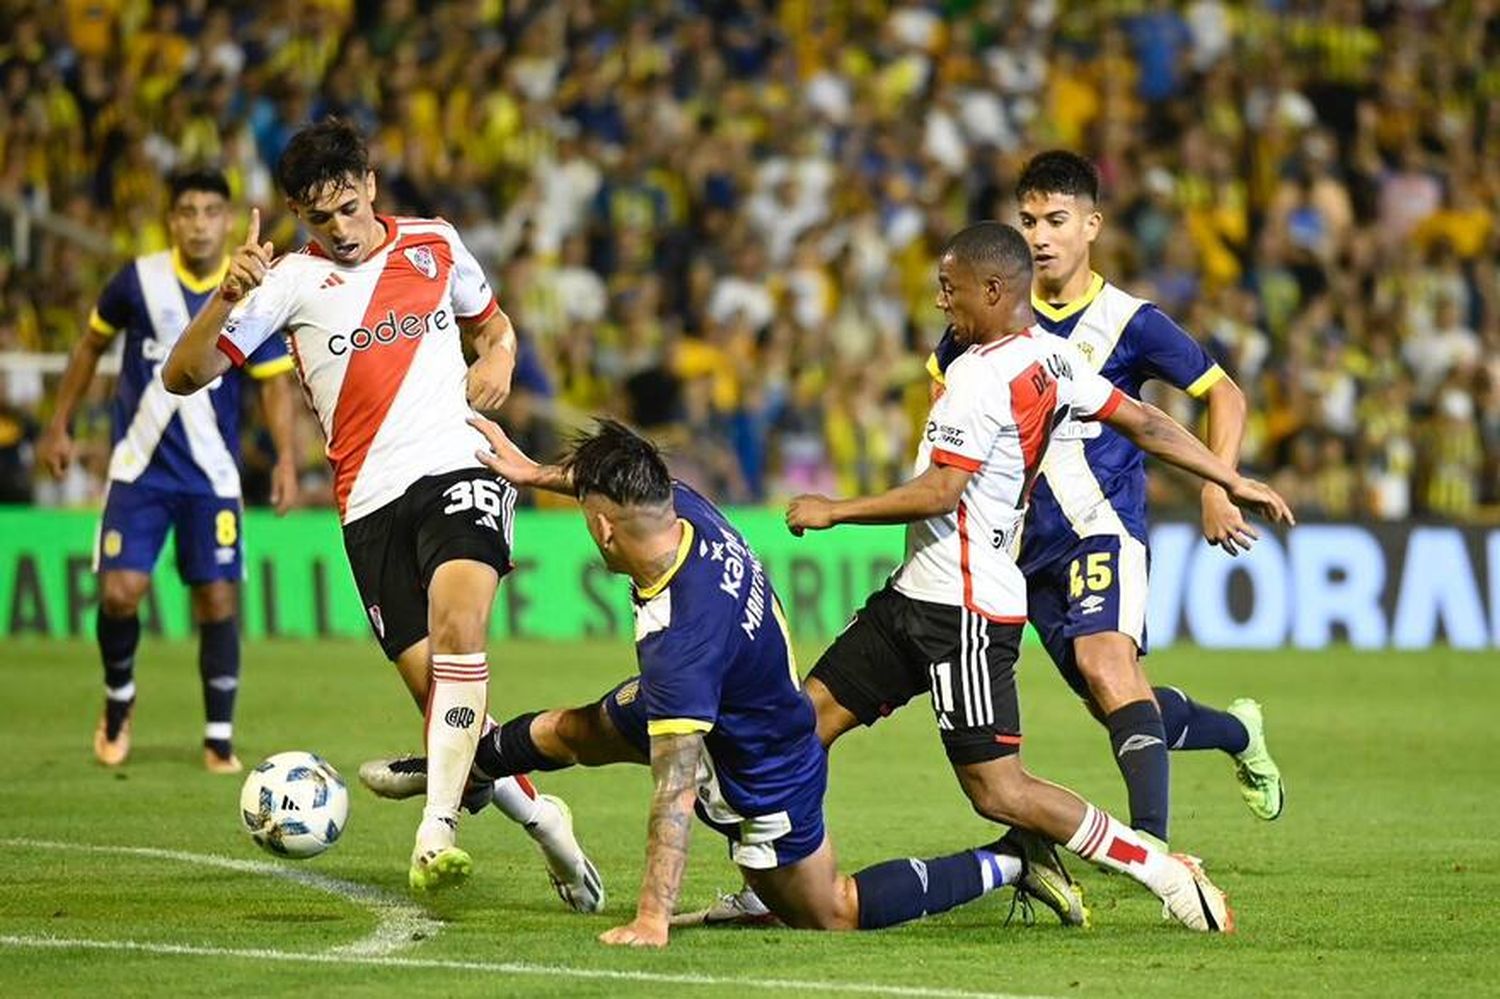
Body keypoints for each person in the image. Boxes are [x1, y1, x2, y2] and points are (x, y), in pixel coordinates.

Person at [368, 415, 1090, 947]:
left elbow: (674, 791)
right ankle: (457, 771)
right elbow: (621, 484)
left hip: (764, 765)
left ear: (601, 533)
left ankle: (1010, 859)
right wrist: (534, 475)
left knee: (828, 911)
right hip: (724, 696)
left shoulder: (681, 639)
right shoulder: (684, 507)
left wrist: (653, 913)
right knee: (574, 730)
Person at [779, 221, 1295, 932]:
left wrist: (834, 510)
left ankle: (1160, 868)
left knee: (999, 789)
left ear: (993, 289)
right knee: (802, 725)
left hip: (961, 609)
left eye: (950, 288)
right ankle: (787, 883)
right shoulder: (1050, 359)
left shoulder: (978, 377)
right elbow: (1146, 423)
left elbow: (939, 492)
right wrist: (1227, 473)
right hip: (916, 593)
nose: (939, 303)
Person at [160, 118, 602, 908]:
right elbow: (183, 375)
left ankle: (435, 827)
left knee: (461, 626)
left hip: (459, 466)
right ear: (300, 214)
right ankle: (544, 821)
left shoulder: (435, 243)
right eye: (320, 218)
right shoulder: (286, 282)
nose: (341, 230)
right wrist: (227, 294)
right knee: (446, 705)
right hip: (367, 506)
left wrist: (497, 356)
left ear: (369, 185)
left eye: (349, 209)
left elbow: (492, 322)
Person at [37, 168, 298, 775]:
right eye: (188, 211)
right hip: (139, 472)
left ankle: (217, 737)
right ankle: (119, 703)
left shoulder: (250, 295)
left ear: (228, 220)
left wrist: (285, 456)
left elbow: (273, 387)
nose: (201, 223)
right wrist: (60, 423)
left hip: (211, 477)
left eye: (212, 211)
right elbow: (89, 347)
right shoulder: (138, 280)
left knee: (216, 598)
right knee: (121, 593)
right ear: (171, 219)